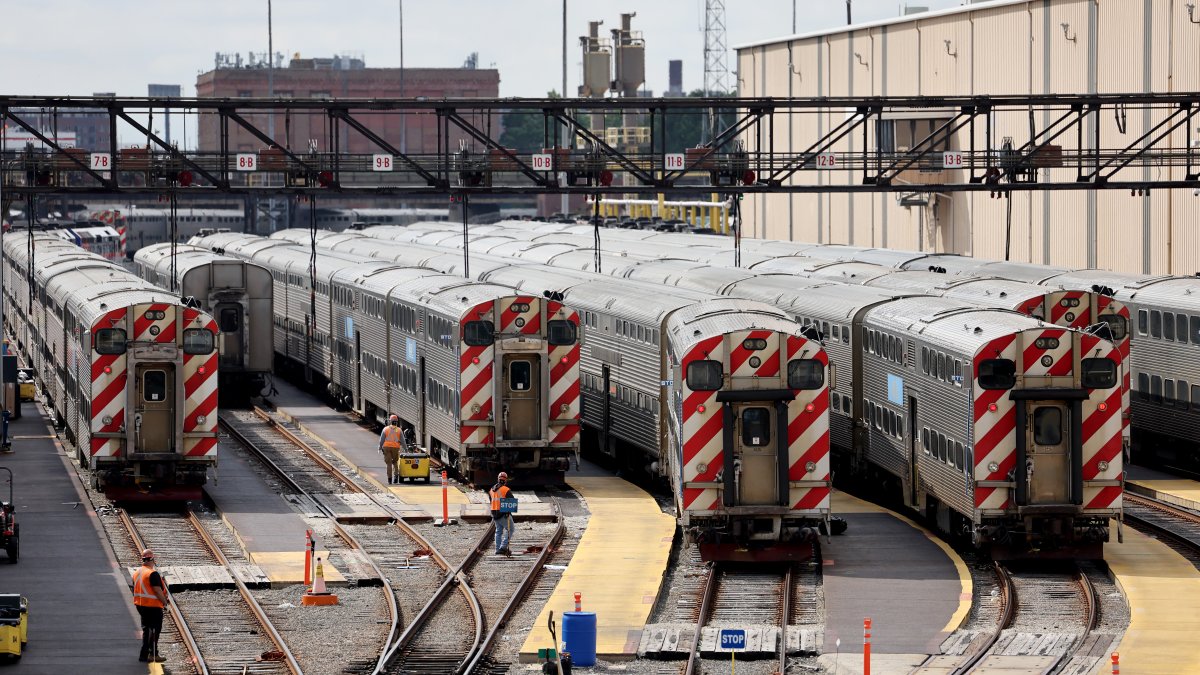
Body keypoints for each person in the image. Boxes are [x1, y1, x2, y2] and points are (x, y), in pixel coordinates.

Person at [132, 549, 169, 663]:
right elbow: (157, 590)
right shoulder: (152, 573)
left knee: (147, 629)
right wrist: (164, 602)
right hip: (152, 606)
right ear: (152, 559)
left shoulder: (137, 573)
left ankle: (145, 655)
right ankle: (152, 654)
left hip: (140, 605)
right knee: (154, 630)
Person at [489, 472, 514, 555]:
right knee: (510, 529)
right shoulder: (506, 490)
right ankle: (503, 547)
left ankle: (497, 549)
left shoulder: (491, 490)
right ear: (505, 480)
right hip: (503, 514)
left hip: (494, 514)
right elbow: (511, 502)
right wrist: (509, 512)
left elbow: (491, 501)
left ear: (498, 479)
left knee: (498, 531)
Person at [379, 414, 404, 484]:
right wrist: (406, 448)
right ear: (396, 422)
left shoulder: (385, 429)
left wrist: (380, 447)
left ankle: (389, 479)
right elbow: (403, 441)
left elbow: (381, 439)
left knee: (389, 464)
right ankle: (396, 477)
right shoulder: (399, 430)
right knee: (395, 462)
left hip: (386, 448)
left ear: (390, 421)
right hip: (396, 448)